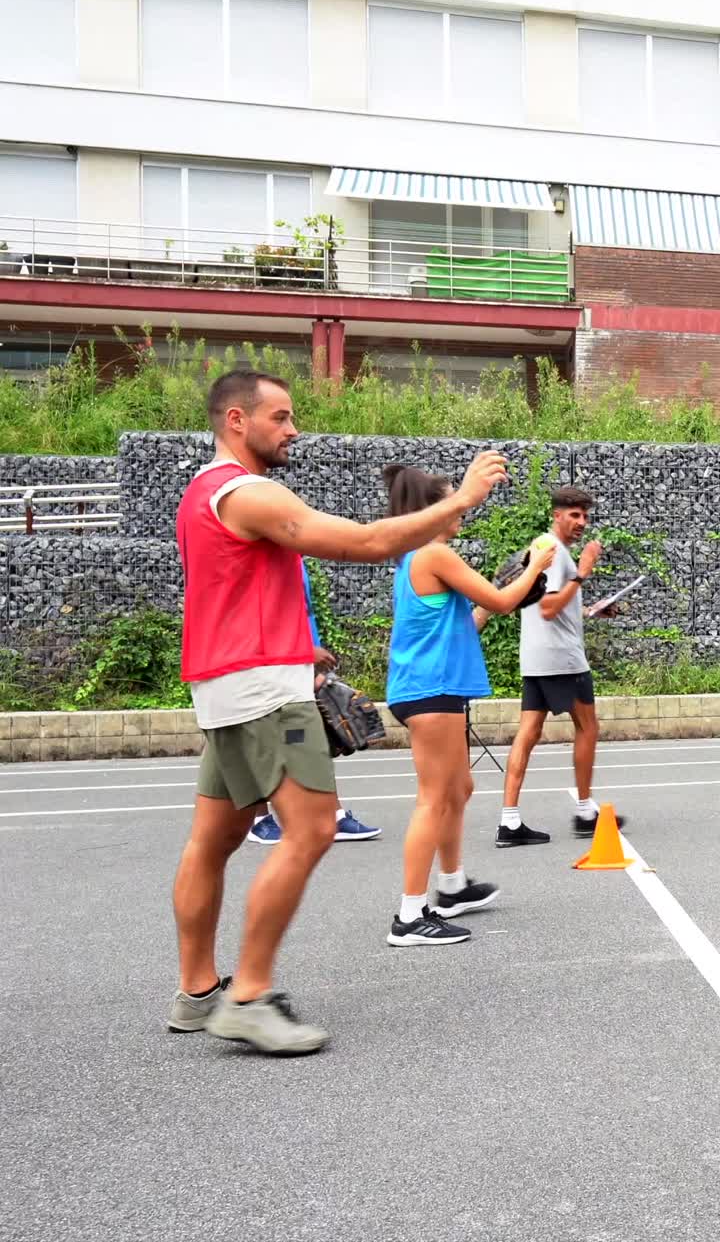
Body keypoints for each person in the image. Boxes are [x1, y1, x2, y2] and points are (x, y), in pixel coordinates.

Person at [168, 370, 508, 1054]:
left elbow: (233, 593)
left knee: (214, 840)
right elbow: (363, 541)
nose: (294, 429)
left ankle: (197, 992)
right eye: (281, 417)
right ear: (236, 420)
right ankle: (251, 996)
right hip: (264, 692)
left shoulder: (201, 494)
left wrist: (302, 646)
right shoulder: (248, 491)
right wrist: (461, 499)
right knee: (313, 828)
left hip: (228, 683)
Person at [382, 464, 555, 948]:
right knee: (434, 798)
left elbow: (475, 616)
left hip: (433, 688)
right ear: (431, 510)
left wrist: (514, 585)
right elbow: (501, 602)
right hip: (430, 691)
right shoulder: (434, 553)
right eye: (450, 499)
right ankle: (410, 915)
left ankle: (453, 887)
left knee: (458, 788)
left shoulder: (417, 558)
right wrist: (536, 567)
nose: (460, 506)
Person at [495, 485, 625, 848]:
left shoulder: (544, 548)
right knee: (588, 727)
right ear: (556, 515)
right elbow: (550, 608)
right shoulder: (554, 552)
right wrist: (583, 572)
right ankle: (585, 812)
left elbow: (553, 605)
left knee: (529, 733)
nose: (581, 522)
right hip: (563, 658)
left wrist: (589, 610)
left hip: (536, 658)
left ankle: (509, 821)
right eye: (574, 515)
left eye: (585, 515)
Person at [249, 560, 381, 845]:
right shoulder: (260, 558)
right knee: (265, 743)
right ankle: (259, 818)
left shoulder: (293, 558)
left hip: (299, 664)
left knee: (311, 742)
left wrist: (312, 665)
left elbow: (298, 615)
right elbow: (257, 619)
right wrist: (303, 653)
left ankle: (332, 816)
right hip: (274, 667)